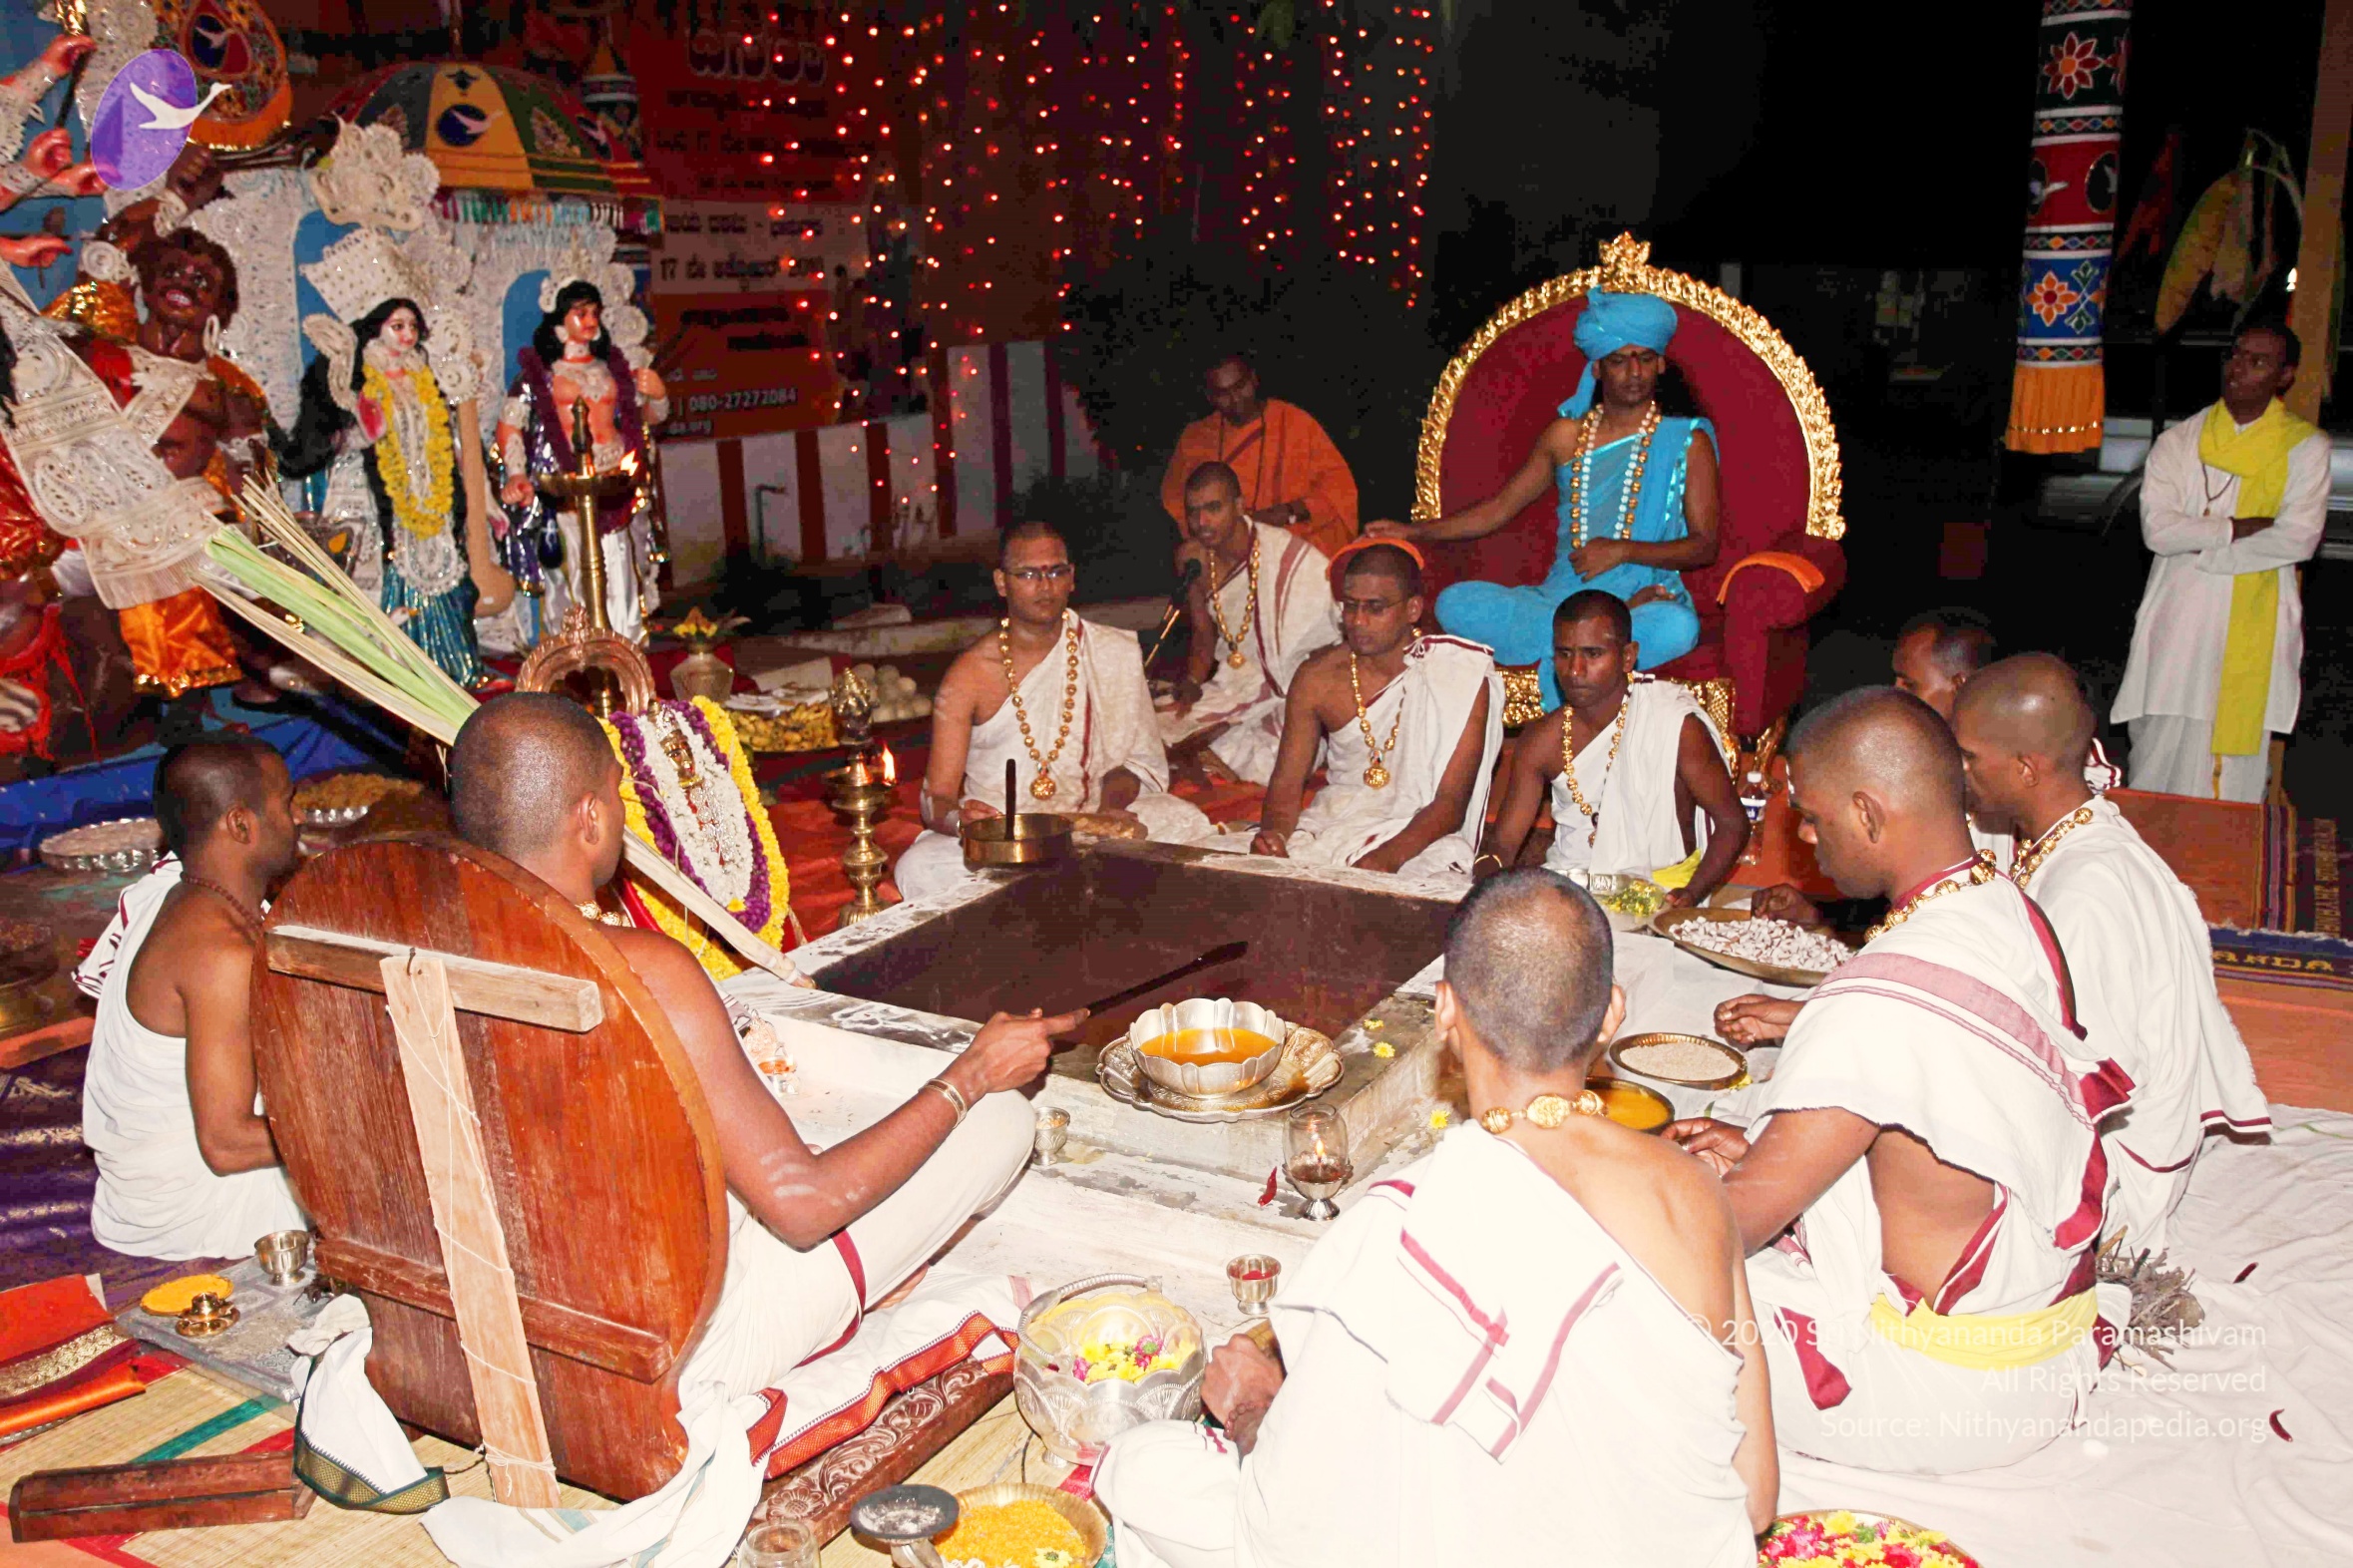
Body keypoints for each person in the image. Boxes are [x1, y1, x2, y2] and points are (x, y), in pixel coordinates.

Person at [1095, 870, 1775, 1568]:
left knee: (1139, 1465)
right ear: (1611, 1013)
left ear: (1445, 1011)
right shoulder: (1696, 1192)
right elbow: (1755, 1499)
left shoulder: (1399, 1226)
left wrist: (1251, 1411)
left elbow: (1293, 1522)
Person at [446, 694, 1069, 1396]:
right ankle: (866, 1282)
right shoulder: (646, 970)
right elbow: (803, 1209)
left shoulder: (423, 943)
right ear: (589, 816)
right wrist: (971, 1074)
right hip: (680, 1349)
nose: (621, 813)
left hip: (508, 1317)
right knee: (999, 1119)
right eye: (617, 795)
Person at [1667, 689, 2131, 1475]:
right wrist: (1764, 1150)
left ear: (1867, 813)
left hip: (1940, 1395)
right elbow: (1942, 1133)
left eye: (1810, 818)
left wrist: (1615, 1169)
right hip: (2042, 1349)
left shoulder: (1872, 1003)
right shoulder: (2006, 909)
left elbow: (1725, 1232)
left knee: (1630, 1286)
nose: (1803, 837)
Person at [1954, 655, 2268, 1251]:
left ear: (2025, 768)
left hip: (2111, 1179)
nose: (1959, 772)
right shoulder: (2073, 834)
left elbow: (2086, 1082)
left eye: (1969, 757)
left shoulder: (2086, 892)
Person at [1368, 287, 1719, 706]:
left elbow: (1705, 545)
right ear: (1597, 368)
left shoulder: (1687, 441)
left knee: (1677, 627)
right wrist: (1413, 531)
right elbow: (1500, 508)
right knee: (1455, 603)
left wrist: (1624, 551)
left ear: (1660, 363)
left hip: (1647, 598)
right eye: (1619, 360)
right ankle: (1595, 642)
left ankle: (1579, 646)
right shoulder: (1565, 436)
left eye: (1644, 358)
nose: (1634, 372)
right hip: (1561, 601)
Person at [897, 520, 1214, 899]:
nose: (1044, 585)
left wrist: (1108, 812)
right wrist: (962, 821)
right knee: (919, 865)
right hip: (1007, 836)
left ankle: (1038, 898)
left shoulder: (1110, 651)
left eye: (1055, 571)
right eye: (1028, 574)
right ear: (1002, 582)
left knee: (1184, 821)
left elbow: (1132, 762)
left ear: (1072, 578)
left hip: (1090, 821)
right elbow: (936, 797)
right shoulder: (969, 675)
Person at [76, 737, 305, 1259]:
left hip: (147, 1190)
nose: (298, 819)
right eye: (287, 803)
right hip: (196, 1217)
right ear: (241, 825)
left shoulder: (177, 888)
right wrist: (357, 1132)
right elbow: (227, 1145)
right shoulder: (220, 955)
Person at [2112, 318, 2327, 802]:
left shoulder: (2305, 449)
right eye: (2236, 355)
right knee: (2158, 745)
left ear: (2285, 376)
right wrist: (2235, 528)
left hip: (2254, 624)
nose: (2239, 369)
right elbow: (2159, 532)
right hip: (2178, 617)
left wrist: (2205, 555)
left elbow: (2298, 539)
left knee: (2233, 769)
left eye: (2258, 361)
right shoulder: (2178, 443)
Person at [1250, 542, 1500, 877]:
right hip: (1333, 824)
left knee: (1435, 876)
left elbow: (1451, 803)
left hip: (1416, 834)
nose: (1358, 621)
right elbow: (1286, 783)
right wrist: (1275, 837)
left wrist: (1385, 859)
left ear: (1413, 609)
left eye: (1375, 608)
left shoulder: (1457, 675)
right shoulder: (1316, 677)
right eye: (1350, 606)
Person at [280, 286, 488, 688]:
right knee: (382, 568)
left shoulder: (421, 375)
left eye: (412, 326)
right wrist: (361, 428)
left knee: (445, 570)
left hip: (428, 490)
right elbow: (346, 436)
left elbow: (439, 436)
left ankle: (450, 664)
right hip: (376, 494)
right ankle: (394, 670)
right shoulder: (359, 376)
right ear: (376, 329)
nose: (407, 335)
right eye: (397, 326)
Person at [1482, 588, 1748, 902]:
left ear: (1627, 657)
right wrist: (1485, 875)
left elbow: (1733, 825)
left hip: (1659, 893)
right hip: (1570, 889)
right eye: (1564, 654)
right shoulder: (1542, 739)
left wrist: (1690, 895)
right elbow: (1504, 842)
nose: (1575, 670)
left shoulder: (1674, 724)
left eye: (1592, 654)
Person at [495, 278, 669, 642]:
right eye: (581, 313)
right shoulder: (540, 377)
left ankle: (625, 650)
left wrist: (659, 395)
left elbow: (648, 420)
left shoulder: (614, 371)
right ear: (560, 320)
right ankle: (583, 653)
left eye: (594, 313)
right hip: (568, 487)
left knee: (621, 570)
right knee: (577, 574)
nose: (590, 321)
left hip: (616, 482)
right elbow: (511, 425)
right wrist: (516, 474)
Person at [1158, 462, 1339, 785]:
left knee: (1283, 753)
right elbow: (1203, 635)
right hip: (1234, 684)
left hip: (1294, 686)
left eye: (1213, 508)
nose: (1202, 522)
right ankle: (1211, 744)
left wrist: (1291, 686)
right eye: (1193, 512)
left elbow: (1334, 635)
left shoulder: (1287, 556)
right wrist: (1192, 681)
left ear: (1239, 506)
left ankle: (1215, 748)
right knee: (1152, 725)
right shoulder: (1192, 559)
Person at [1892, 608, 2121, 789]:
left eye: (1910, 685)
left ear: (1961, 688)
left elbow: (2089, 804)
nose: (1895, 692)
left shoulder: (2038, 743)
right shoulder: (1901, 744)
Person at [1159, 353, 1358, 560]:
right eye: (1223, 394)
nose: (1235, 399)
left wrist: (1286, 512)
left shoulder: (1295, 423)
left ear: (1253, 379)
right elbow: (1175, 503)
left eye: (1240, 387)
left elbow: (1340, 489)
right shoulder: (1195, 437)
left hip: (1292, 546)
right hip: (1224, 555)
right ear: (1210, 397)